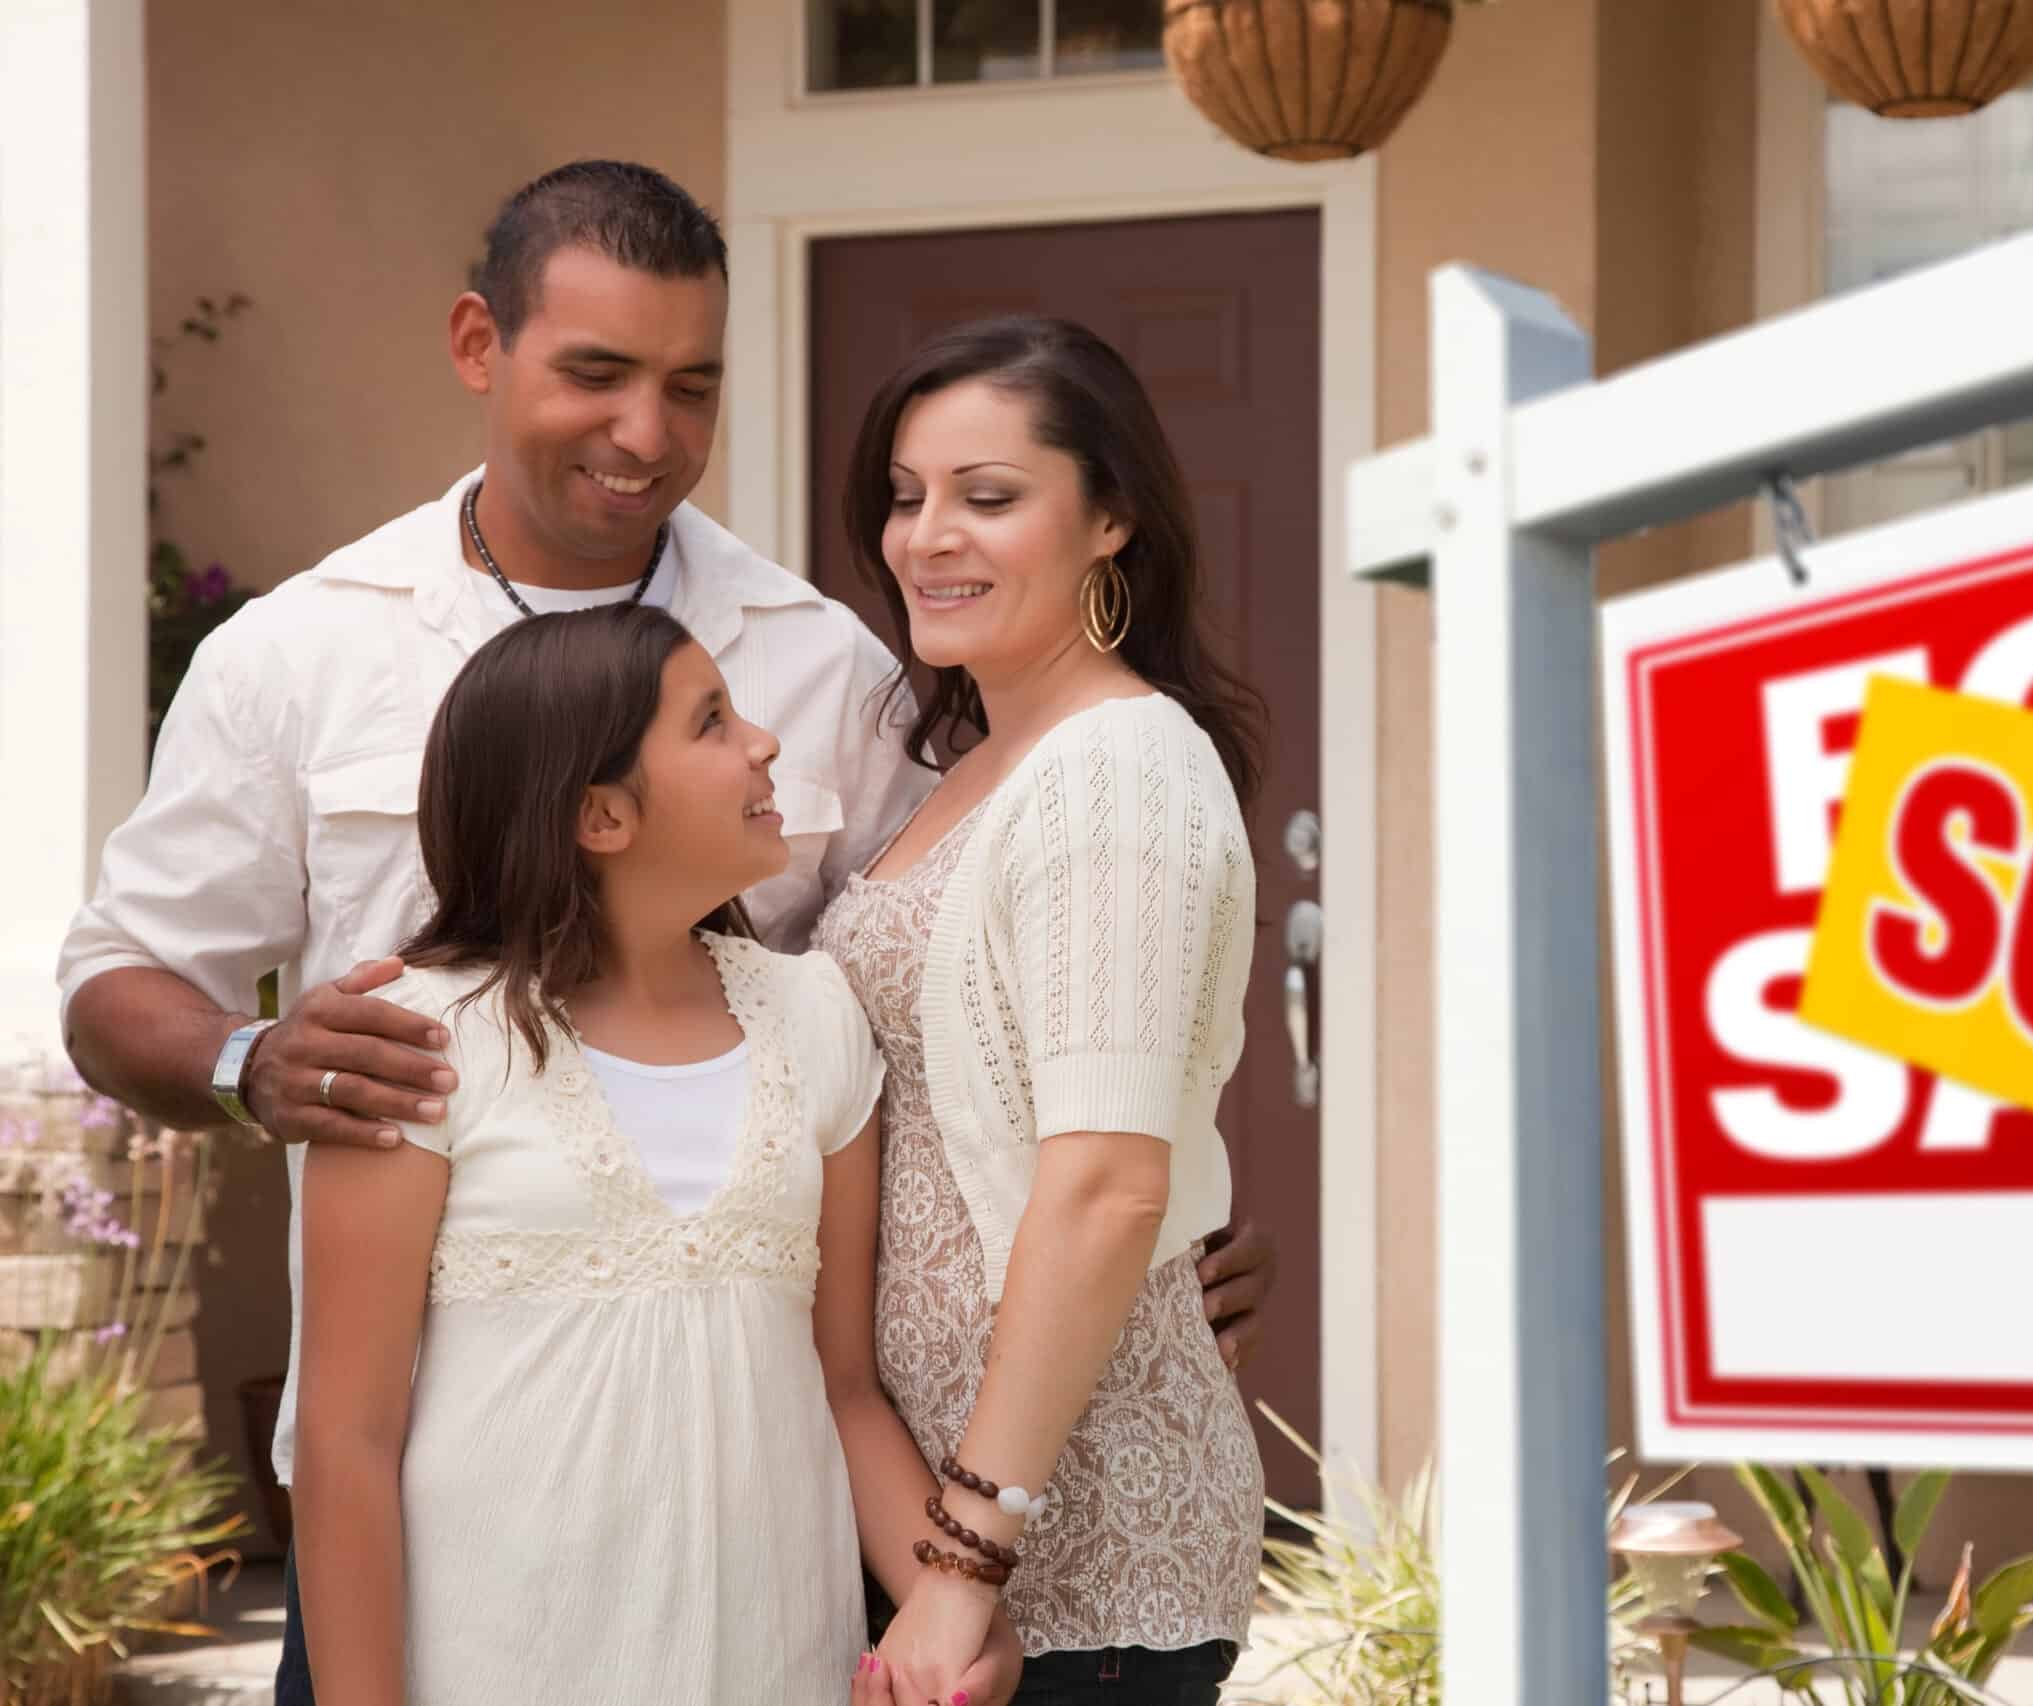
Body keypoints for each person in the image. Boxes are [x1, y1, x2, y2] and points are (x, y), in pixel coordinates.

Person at [54, 161, 1274, 1706]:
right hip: (441, 1503)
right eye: (597, 372)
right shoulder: (301, 650)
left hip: (779, 1507)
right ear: (478, 345)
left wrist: (1158, 1206)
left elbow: (1014, 967)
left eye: (691, 384)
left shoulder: (831, 659)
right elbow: (112, 978)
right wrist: (253, 1058)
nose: (647, 432)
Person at [297, 604, 1007, 1704]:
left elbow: (847, 1384)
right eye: (712, 721)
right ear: (600, 814)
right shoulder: (417, 1042)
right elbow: (348, 1438)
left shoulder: (813, 1015)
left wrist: (953, 1595)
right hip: (495, 1659)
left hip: (769, 1651)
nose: (764, 742)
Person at [822, 316, 1264, 1706]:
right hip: (948, 1538)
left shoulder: (1117, 762)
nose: (926, 536)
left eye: (989, 496)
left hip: (1075, 1564)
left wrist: (962, 1560)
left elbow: (1107, 1185)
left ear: (1111, 517)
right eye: (906, 495)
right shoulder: (966, 763)